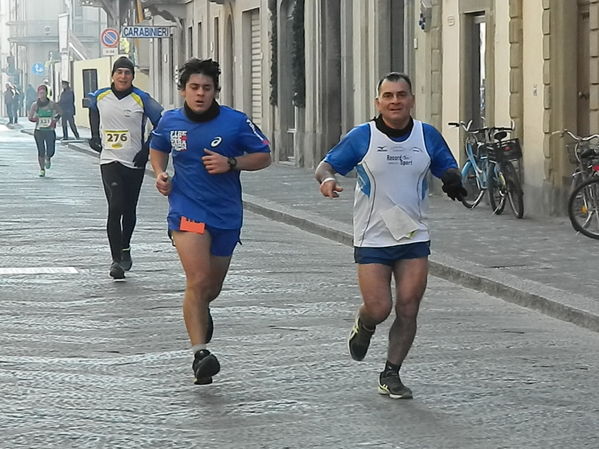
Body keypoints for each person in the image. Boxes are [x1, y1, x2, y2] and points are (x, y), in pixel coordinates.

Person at [315, 72, 466, 399]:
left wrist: (453, 179)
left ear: (411, 100)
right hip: (372, 237)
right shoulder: (362, 136)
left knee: (409, 307)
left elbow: (446, 165)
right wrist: (327, 181)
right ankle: (365, 323)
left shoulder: (426, 135)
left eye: (401, 95)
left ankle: (391, 373)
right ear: (378, 102)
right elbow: (325, 166)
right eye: (388, 96)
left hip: (413, 235)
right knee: (380, 307)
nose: (395, 101)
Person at [149, 58, 271, 385]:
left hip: (226, 214)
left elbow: (264, 156)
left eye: (206, 88)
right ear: (183, 91)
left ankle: (201, 310)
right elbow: (157, 149)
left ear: (216, 91)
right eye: (194, 88)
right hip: (186, 208)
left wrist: (232, 162)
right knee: (198, 278)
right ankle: (200, 354)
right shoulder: (169, 121)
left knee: (210, 288)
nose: (200, 94)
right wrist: (160, 174)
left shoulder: (235, 123)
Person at [87, 56, 163, 279]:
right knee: (116, 205)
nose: (122, 76)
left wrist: (147, 149)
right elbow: (92, 107)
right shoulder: (100, 96)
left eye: (127, 73)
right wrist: (93, 136)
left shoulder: (142, 99)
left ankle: (126, 246)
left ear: (132, 76)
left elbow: (162, 122)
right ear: (112, 75)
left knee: (129, 209)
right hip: (109, 159)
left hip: (134, 162)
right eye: (119, 72)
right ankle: (115, 260)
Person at [28, 84, 60, 177]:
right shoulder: (35, 105)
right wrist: (35, 119)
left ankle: (48, 157)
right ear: (38, 94)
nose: (42, 95)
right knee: (41, 150)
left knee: (51, 150)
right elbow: (30, 117)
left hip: (50, 130)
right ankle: (42, 169)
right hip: (39, 131)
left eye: (43, 93)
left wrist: (54, 120)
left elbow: (60, 113)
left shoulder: (52, 104)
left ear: (46, 93)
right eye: (40, 93)